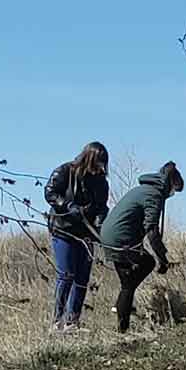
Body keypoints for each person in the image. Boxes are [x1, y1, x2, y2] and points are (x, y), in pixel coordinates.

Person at [100, 161, 184, 333]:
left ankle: (122, 307)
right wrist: (163, 259)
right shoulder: (153, 195)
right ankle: (122, 328)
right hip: (120, 239)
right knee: (146, 264)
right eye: (174, 190)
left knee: (128, 280)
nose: (172, 194)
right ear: (170, 184)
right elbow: (152, 230)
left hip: (108, 235)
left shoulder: (143, 190)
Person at [44, 141, 110, 331]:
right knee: (66, 274)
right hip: (63, 229)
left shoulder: (101, 182)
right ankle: (57, 321)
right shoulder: (65, 170)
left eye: (103, 164)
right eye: (98, 162)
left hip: (86, 233)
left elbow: (101, 206)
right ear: (89, 158)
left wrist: (99, 221)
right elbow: (50, 192)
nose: (100, 167)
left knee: (82, 277)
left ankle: (73, 321)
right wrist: (67, 205)